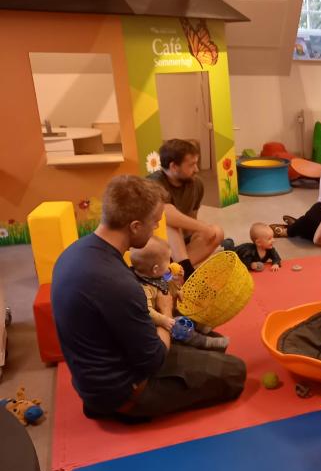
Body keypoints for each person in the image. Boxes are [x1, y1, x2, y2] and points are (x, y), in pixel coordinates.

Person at [51, 175, 246, 422]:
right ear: (134, 226)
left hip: (95, 375)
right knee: (235, 371)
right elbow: (153, 360)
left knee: (211, 341)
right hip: (123, 391)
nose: (156, 229)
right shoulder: (116, 282)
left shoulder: (74, 252)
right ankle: (126, 409)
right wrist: (164, 312)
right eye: (153, 224)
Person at [130, 236, 230, 351]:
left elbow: (167, 288)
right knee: (179, 326)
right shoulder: (144, 288)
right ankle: (204, 342)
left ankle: (201, 326)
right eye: (168, 261)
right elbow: (147, 312)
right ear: (155, 269)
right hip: (159, 323)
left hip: (169, 310)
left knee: (188, 308)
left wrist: (177, 288)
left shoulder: (155, 275)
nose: (170, 264)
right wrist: (163, 320)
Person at [148, 139, 224, 278]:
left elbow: (191, 221)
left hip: (178, 248)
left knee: (216, 232)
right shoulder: (152, 184)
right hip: (152, 245)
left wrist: (204, 233)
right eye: (192, 165)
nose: (197, 169)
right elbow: (166, 214)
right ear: (174, 166)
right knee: (171, 222)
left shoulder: (196, 184)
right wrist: (203, 228)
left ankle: (175, 271)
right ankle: (187, 272)